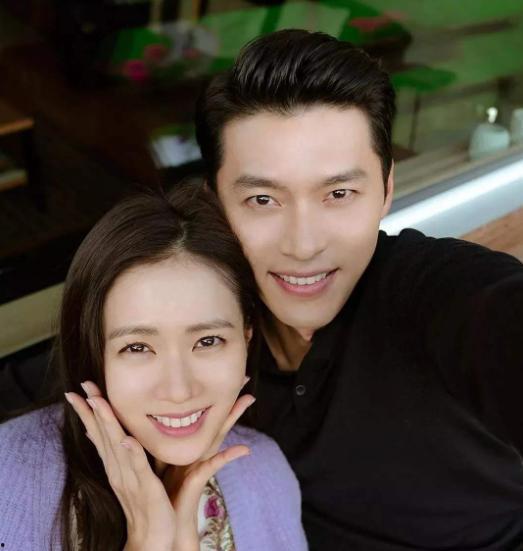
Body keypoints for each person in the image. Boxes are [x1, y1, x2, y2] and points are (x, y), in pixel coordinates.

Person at [194, 29, 523, 550]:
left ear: (386, 189)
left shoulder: (429, 293)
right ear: (216, 203)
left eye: (339, 193)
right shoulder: (199, 320)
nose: (303, 245)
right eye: (263, 200)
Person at [0, 184, 308, 551]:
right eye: (137, 347)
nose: (179, 390)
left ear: (246, 337)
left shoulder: (263, 472)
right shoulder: (9, 471)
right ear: (93, 351)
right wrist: (148, 541)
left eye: (208, 341)